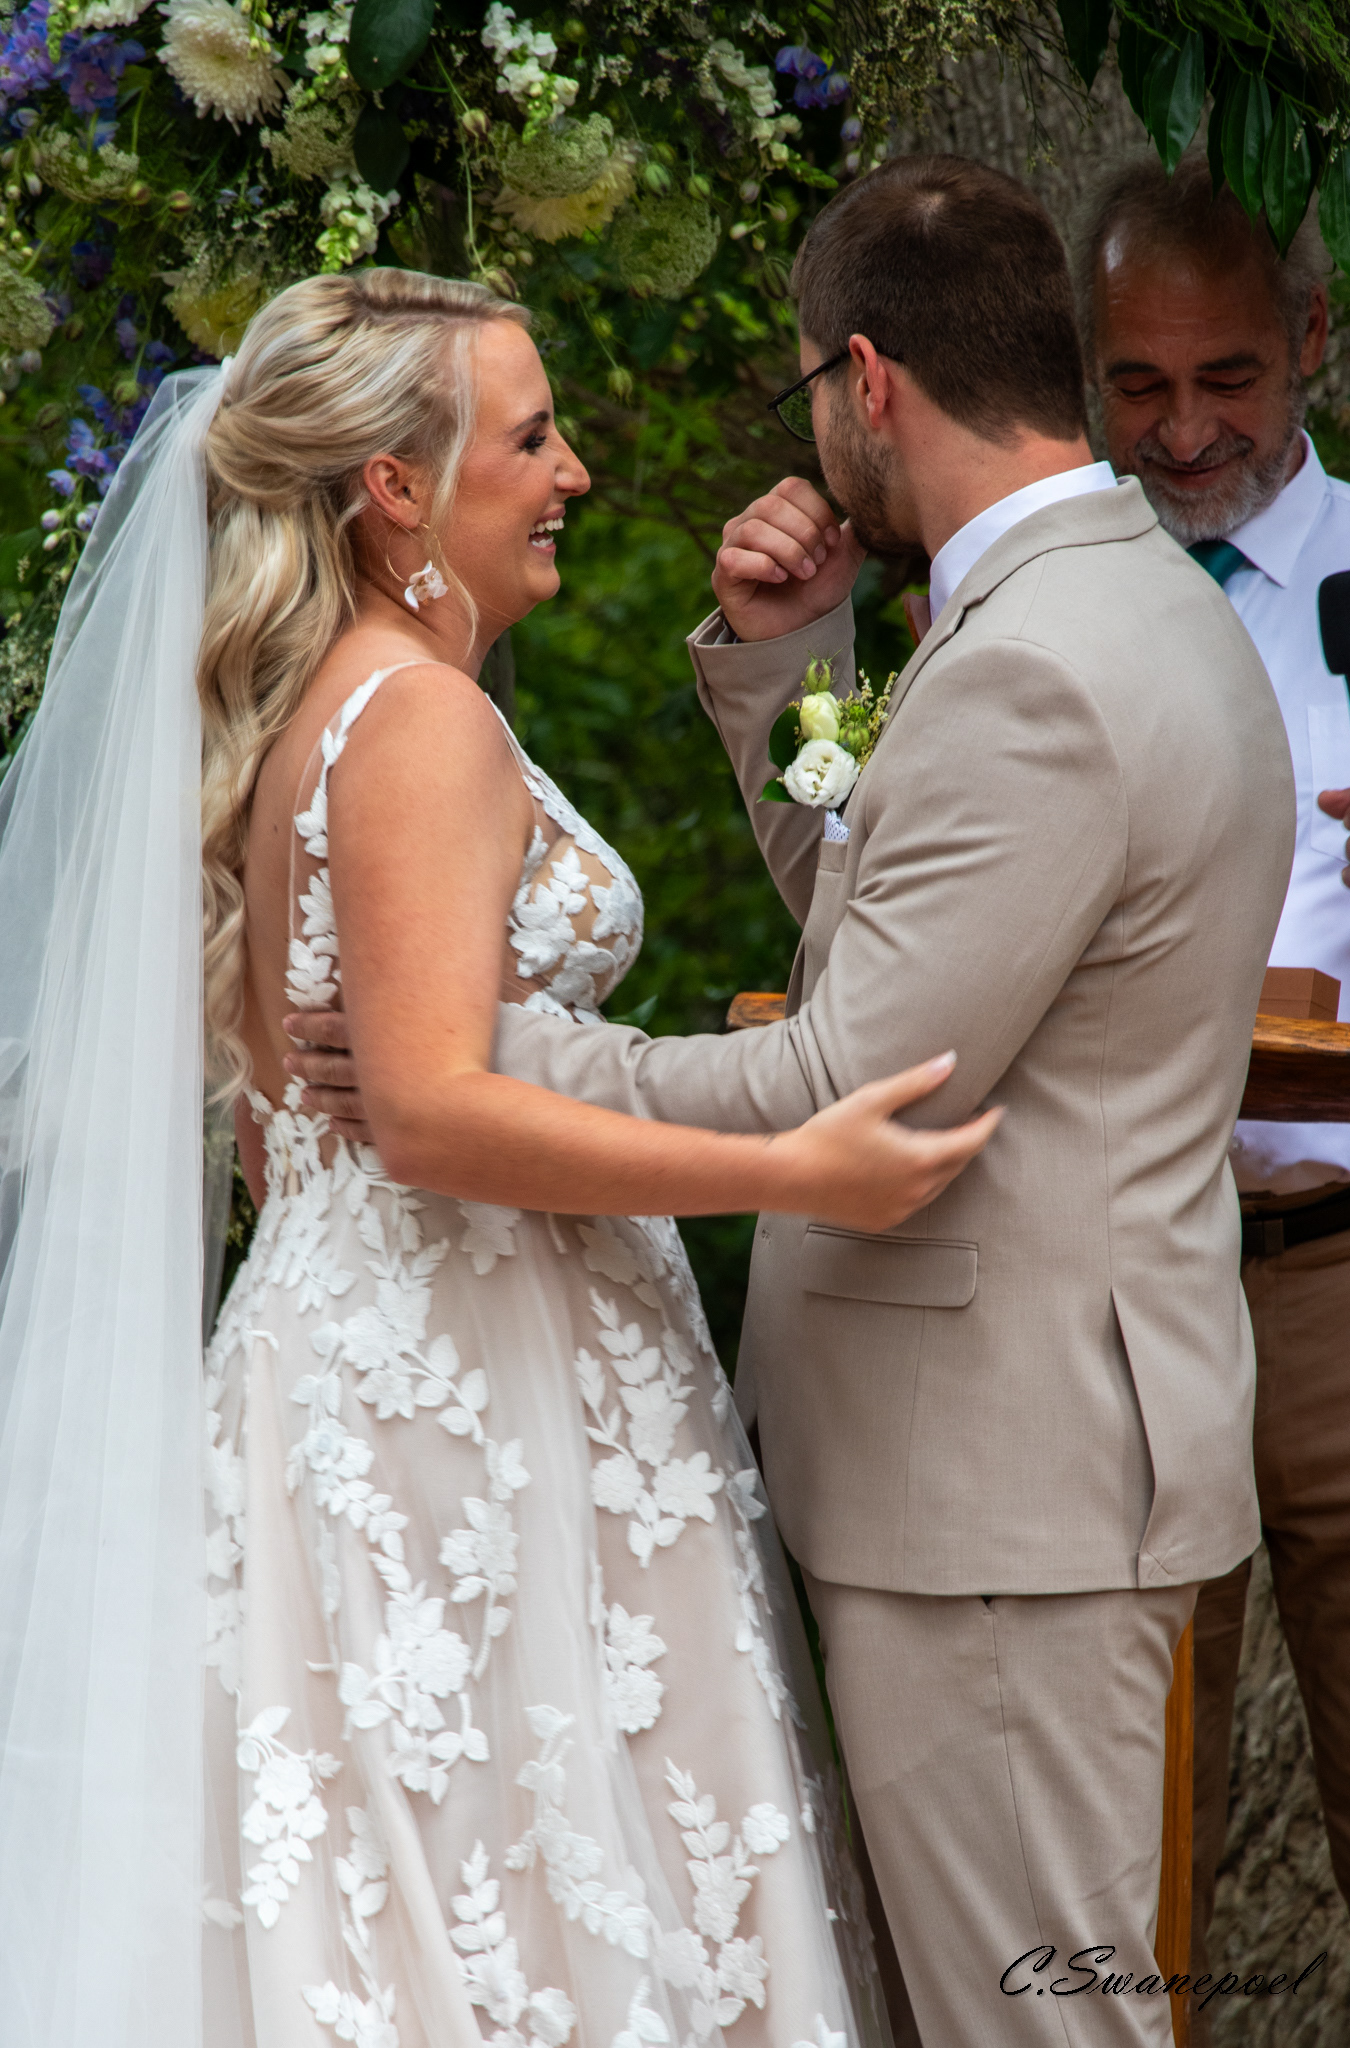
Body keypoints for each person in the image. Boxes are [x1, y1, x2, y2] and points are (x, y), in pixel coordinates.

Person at [290, 156, 1297, 2046]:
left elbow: (849, 1077)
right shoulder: (1108, 608)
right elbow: (902, 951)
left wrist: (487, 1058)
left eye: (808, 392)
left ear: (867, 381)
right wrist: (790, 676)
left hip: (1000, 1496)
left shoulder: (1039, 668)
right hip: (1017, 1473)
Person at [0, 268, 1010, 2048]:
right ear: (397, 484)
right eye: (531, 439)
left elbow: (303, 1129)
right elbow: (429, 1112)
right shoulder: (421, 722)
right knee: (511, 1876)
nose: (574, 474)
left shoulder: (322, 707)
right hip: (468, 1387)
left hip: (379, 1357)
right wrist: (802, 1172)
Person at [1082, 152, 1350, 2028]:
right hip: (1117, 1281)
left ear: (1313, 340)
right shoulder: (1034, 589)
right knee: (1126, 1833)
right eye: (1140, 383)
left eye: (1230, 378)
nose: (1186, 432)